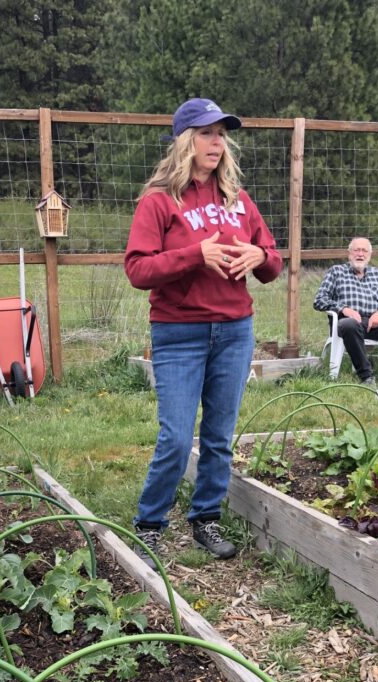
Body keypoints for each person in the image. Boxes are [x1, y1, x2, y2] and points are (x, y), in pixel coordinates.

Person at [124, 97, 283, 569]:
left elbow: (272, 259)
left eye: (221, 135)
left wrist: (261, 258)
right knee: (175, 437)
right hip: (179, 333)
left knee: (218, 436)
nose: (217, 143)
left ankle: (205, 518)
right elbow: (137, 268)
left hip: (235, 331)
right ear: (184, 141)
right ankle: (149, 525)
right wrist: (197, 254)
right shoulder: (159, 201)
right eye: (207, 133)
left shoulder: (238, 199)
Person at [313, 237, 378, 388]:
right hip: (348, 325)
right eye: (356, 250)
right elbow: (319, 300)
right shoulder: (336, 272)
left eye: (364, 251)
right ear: (349, 254)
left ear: (369, 255)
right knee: (349, 324)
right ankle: (366, 376)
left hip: (374, 324)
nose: (360, 254)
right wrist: (344, 309)